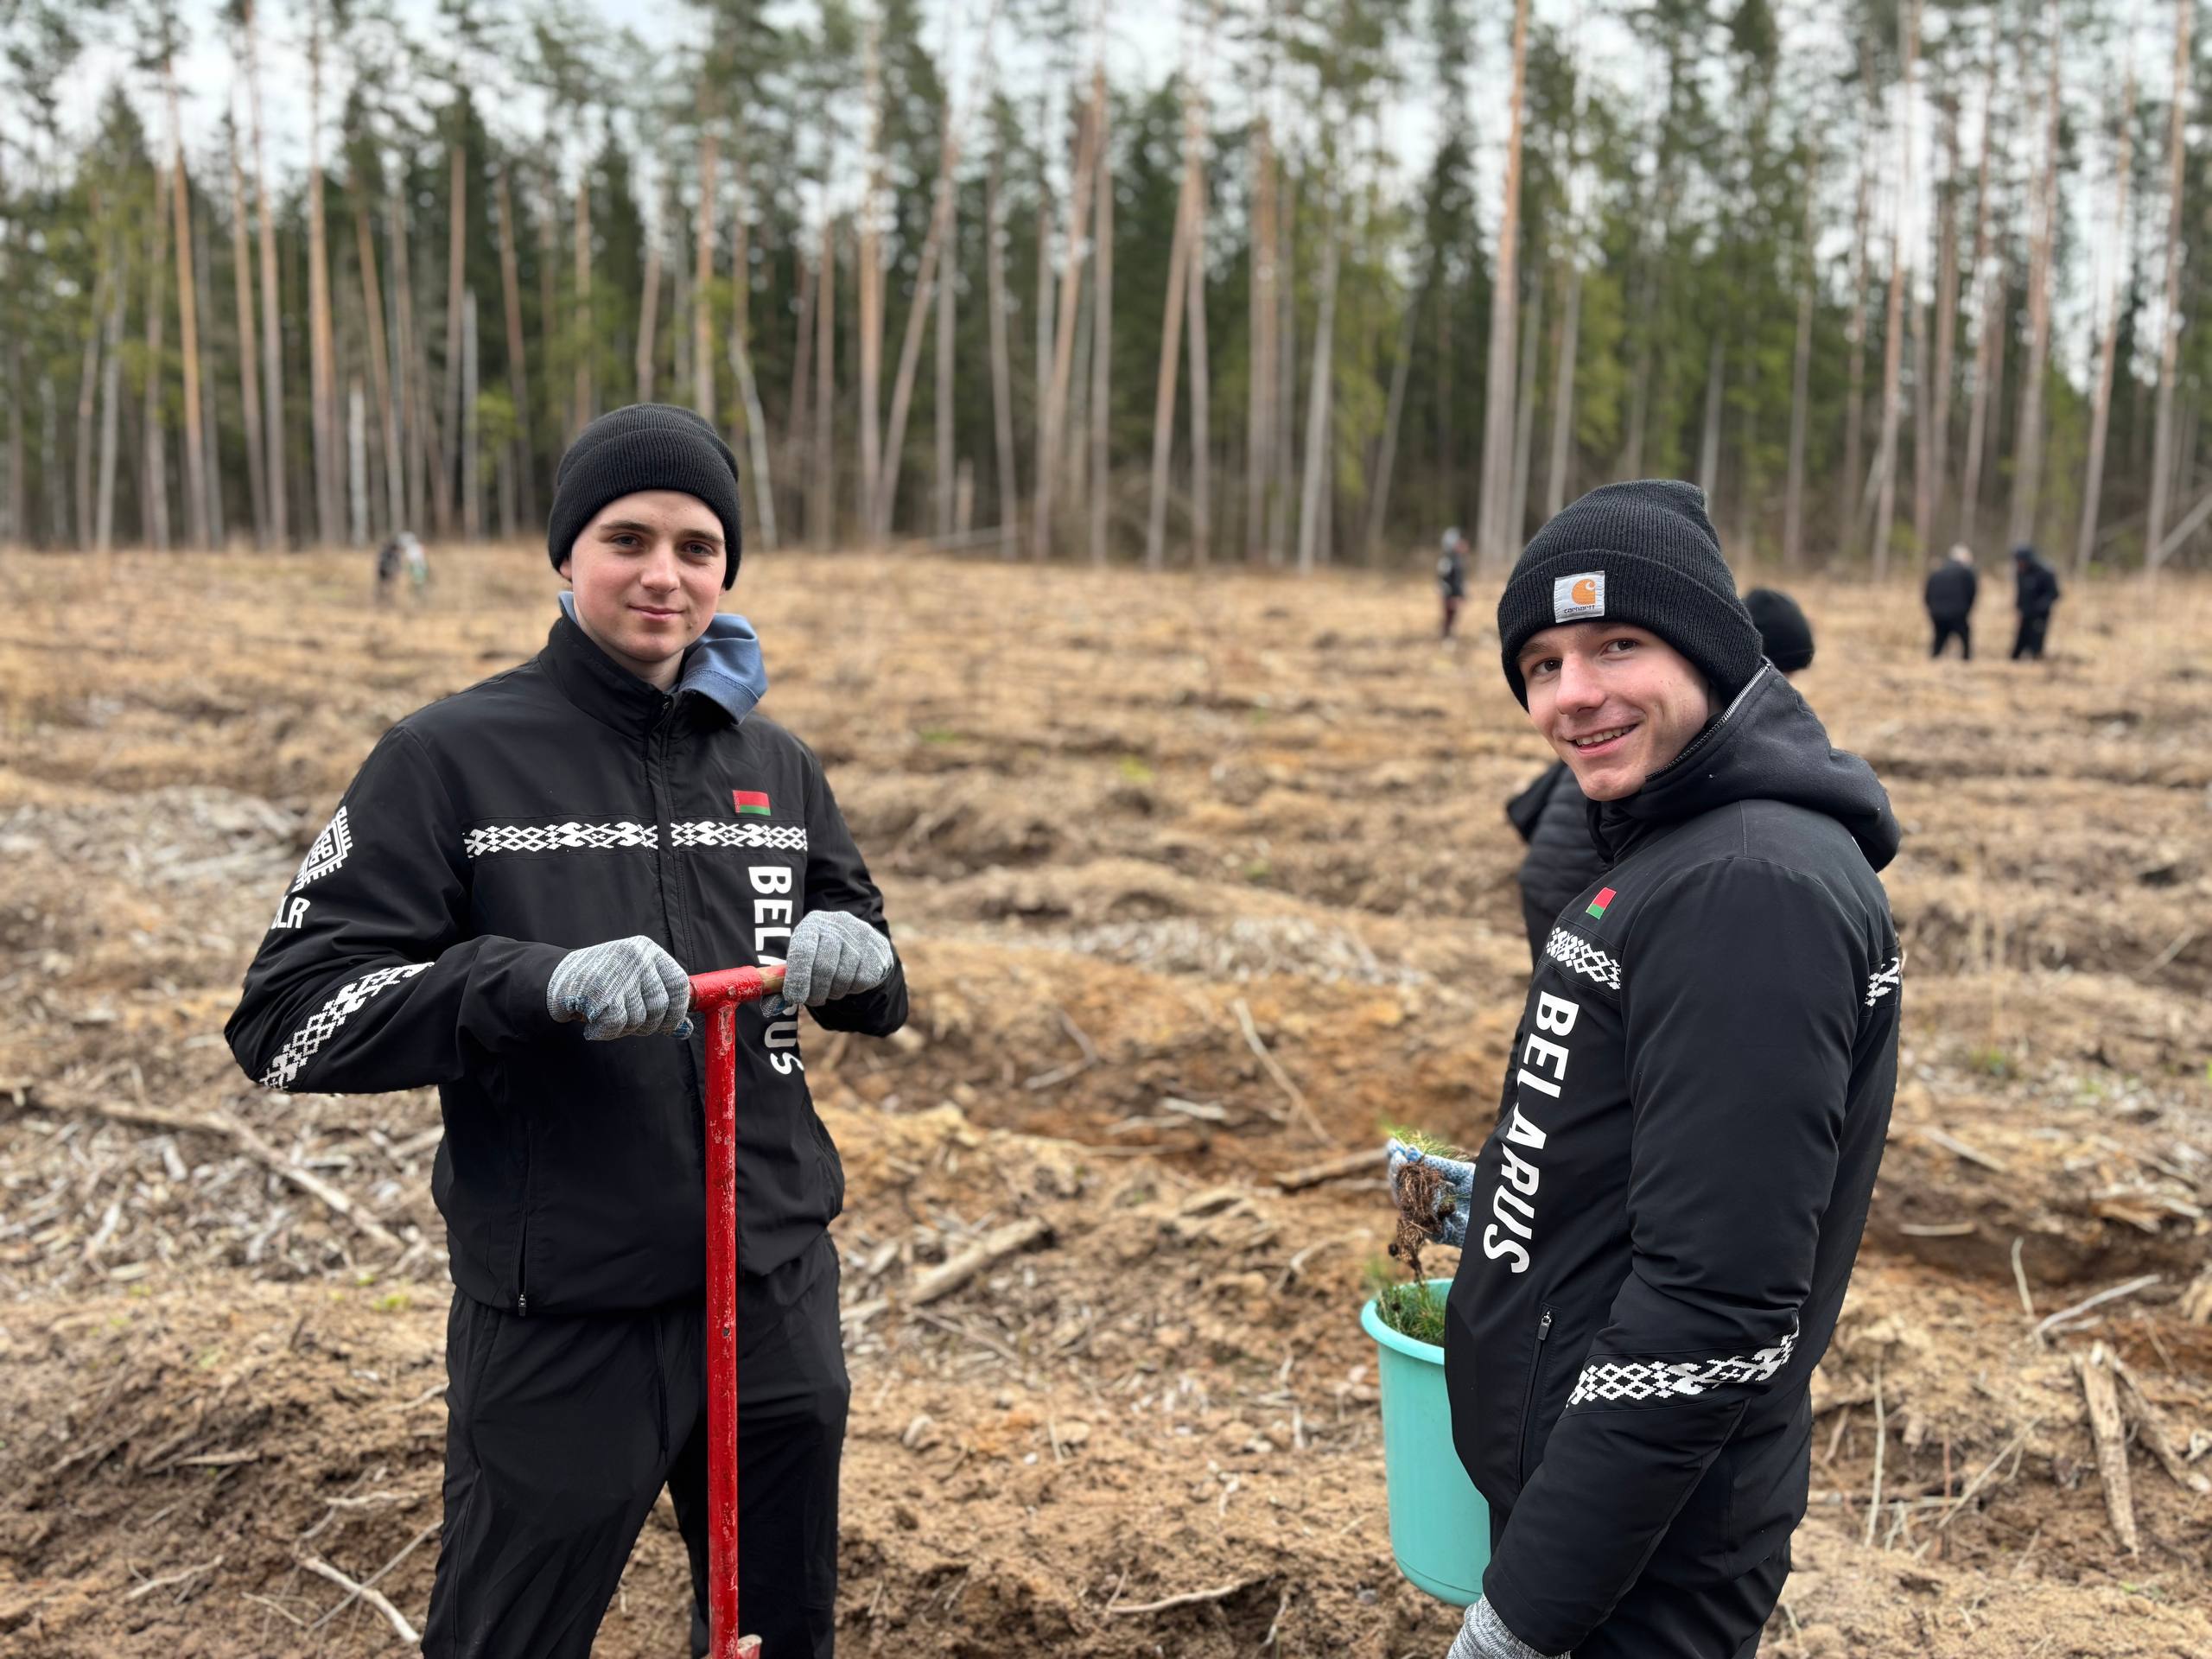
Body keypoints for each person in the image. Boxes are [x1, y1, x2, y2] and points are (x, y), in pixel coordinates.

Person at [226, 404, 906, 1659]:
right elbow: (287, 1018)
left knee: (777, 1638)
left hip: (773, 1297)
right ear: (564, 557)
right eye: (627, 538)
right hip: (564, 1317)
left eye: (698, 547)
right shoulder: (451, 758)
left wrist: (863, 964)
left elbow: (861, 949)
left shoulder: (774, 764)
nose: (665, 574)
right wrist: (528, 985)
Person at [1390, 481, 1902, 1659]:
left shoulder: (1749, 889)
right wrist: (1511, 1205)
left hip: (1642, 1551)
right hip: (1599, 1505)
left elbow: (1713, 1310)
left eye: (1618, 645)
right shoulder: (1677, 852)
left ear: (1712, 651)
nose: (1574, 694)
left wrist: (1524, 1618)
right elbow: (1672, 1168)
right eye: (1543, 662)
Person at [1504, 582, 1816, 966]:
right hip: (1578, 895)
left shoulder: (1619, 738)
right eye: (1547, 666)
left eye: (1621, 647)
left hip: (1558, 884)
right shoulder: (1656, 742)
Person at [1925, 544, 1978, 659]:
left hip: (1937, 613)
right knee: (1965, 638)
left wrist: (1932, 610)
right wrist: (1966, 610)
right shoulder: (1966, 573)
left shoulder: (1937, 572)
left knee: (1939, 639)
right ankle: (1966, 660)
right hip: (1958, 613)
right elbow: (1972, 593)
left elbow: (1927, 593)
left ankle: (1934, 659)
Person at [2011, 543, 2059, 660]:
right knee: (2021, 637)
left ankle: (2035, 659)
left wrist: (2040, 607)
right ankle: (2015, 659)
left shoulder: (2045, 572)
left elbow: (2054, 593)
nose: (2019, 564)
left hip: (2040, 615)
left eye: (2021, 561)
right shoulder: (2021, 572)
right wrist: (2019, 606)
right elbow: (2021, 592)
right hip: (2025, 612)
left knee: (2036, 639)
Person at [1438, 527, 1471, 642]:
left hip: (1453, 593)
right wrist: (1452, 594)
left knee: (1453, 615)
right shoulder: (1448, 560)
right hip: (1449, 593)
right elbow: (1445, 578)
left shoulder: (1457, 560)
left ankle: (1449, 635)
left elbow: (1459, 580)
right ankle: (1446, 636)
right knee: (1449, 615)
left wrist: (1462, 593)